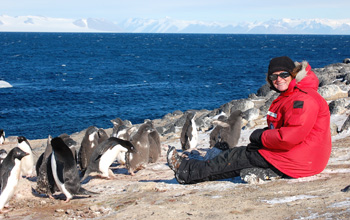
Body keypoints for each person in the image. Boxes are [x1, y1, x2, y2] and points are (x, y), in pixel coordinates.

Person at [167, 56, 332, 184]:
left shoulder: (301, 100)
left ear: (293, 75)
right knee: (241, 154)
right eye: (274, 76)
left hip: (300, 159)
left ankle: (187, 171)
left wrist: (260, 137)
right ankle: (195, 168)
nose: (279, 79)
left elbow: (289, 137)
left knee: (238, 158)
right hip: (304, 156)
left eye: (284, 74)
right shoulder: (295, 94)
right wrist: (263, 139)